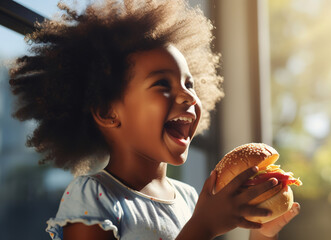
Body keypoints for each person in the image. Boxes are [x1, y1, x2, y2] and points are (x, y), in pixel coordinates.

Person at [8, 0, 300, 239]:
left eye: (190, 84)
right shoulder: (93, 196)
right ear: (109, 113)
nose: (187, 97)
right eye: (162, 84)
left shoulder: (189, 198)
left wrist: (261, 234)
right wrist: (204, 227)